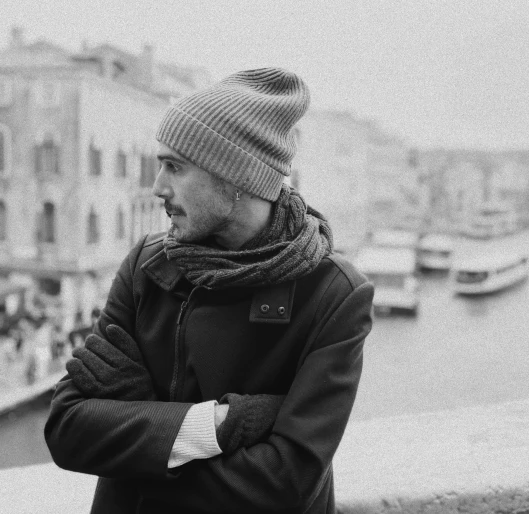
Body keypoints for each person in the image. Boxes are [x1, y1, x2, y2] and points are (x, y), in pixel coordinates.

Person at [44, 68, 375, 514]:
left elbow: (283, 484)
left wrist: (138, 434)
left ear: (236, 179)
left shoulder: (334, 295)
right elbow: (67, 427)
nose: (158, 187)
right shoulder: (148, 265)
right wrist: (220, 424)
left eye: (174, 167)